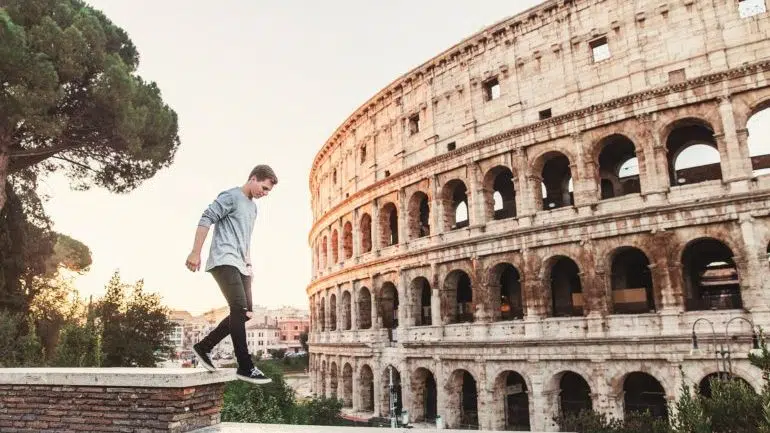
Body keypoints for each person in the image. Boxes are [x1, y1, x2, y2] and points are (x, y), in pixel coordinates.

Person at [185, 164, 278, 385]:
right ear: (253, 178)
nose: (264, 194)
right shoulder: (231, 196)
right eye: (263, 188)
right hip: (224, 259)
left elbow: (245, 238)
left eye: (267, 192)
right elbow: (206, 218)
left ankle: (204, 346)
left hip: (242, 264)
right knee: (237, 308)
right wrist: (195, 252)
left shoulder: (254, 208)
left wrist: (249, 266)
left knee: (245, 314)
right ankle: (245, 366)